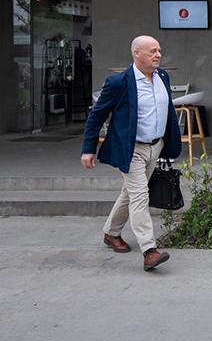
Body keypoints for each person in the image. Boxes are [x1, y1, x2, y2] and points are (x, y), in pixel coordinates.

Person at [81, 35, 182, 271]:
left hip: (155, 147)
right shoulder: (118, 82)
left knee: (130, 192)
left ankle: (111, 233)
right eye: (152, 51)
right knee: (139, 196)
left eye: (159, 50)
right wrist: (89, 149)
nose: (158, 55)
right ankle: (149, 250)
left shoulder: (162, 77)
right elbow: (97, 116)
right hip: (131, 149)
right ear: (136, 54)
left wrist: (167, 145)